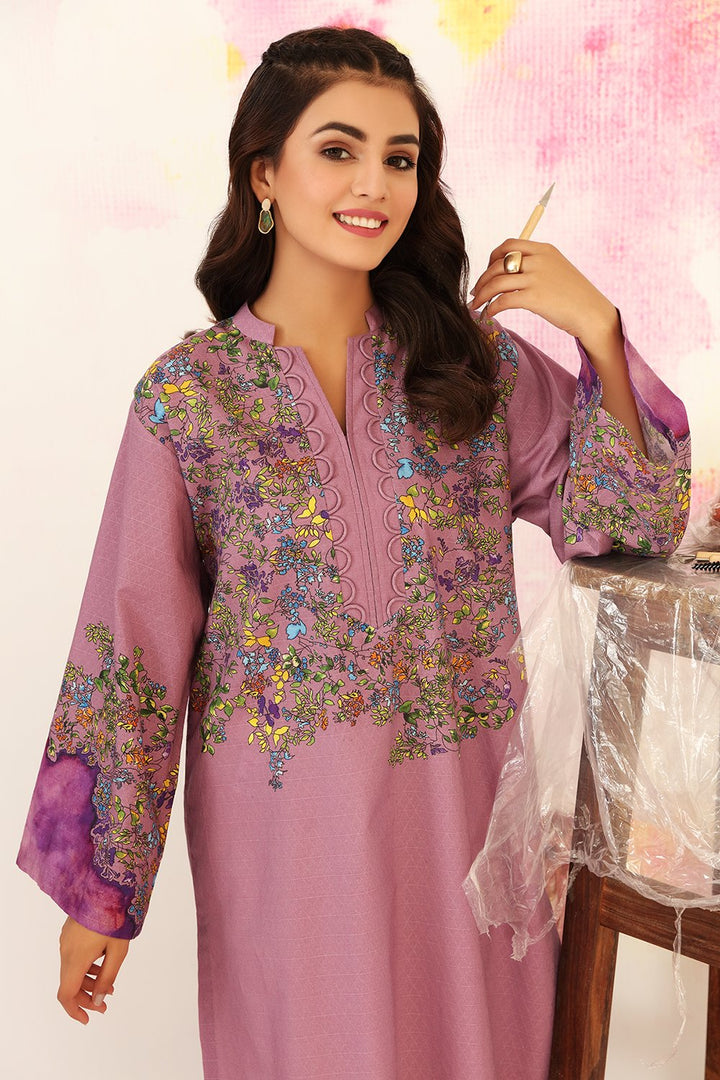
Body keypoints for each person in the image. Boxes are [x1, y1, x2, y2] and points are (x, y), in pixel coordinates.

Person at [18, 26, 690, 1080]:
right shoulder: (192, 398)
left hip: (468, 852)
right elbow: (132, 641)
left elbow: (633, 520)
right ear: (264, 173)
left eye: (400, 157)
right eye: (339, 149)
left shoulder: (471, 371)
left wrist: (597, 329)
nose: (375, 183)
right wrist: (101, 898)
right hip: (288, 859)